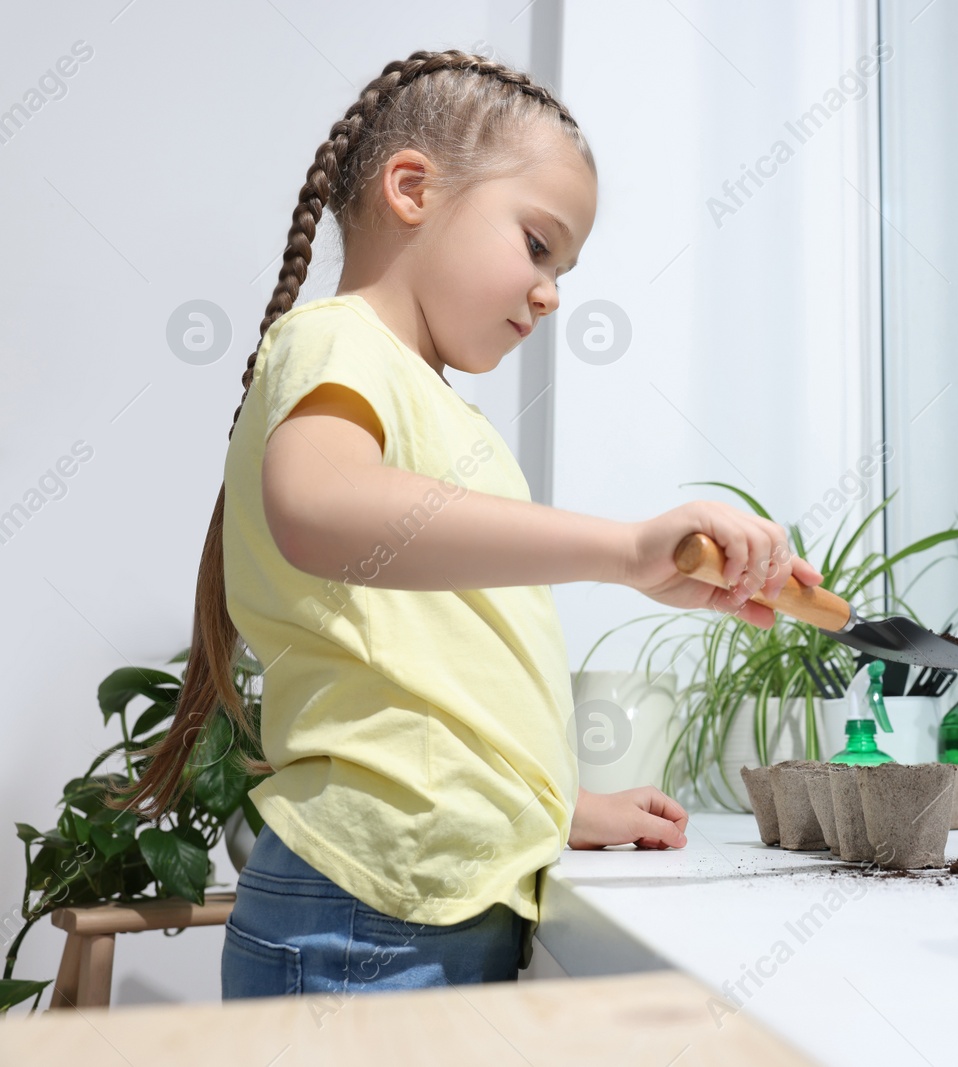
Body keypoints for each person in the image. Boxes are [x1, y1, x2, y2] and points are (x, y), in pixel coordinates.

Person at [110, 49, 821, 999]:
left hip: (418, 900)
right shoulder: (334, 340)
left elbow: (435, 674)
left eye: (564, 267)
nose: (552, 293)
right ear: (411, 188)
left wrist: (549, 808)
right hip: (365, 912)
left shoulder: (449, 417)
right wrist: (620, 549)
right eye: (537, 245)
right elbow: (320, 513)